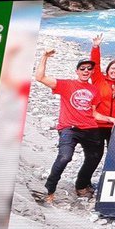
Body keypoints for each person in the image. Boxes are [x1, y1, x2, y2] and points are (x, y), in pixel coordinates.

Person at [35, 49, 104, 202]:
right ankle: (49, 190)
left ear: (92, 72)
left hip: (90, 128)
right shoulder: (66, 84)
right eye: (83, 68)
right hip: (69, 128)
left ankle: (81, 185)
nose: (86, 71)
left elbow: (94, 114)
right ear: (77, 71)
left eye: (89, 69)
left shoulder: (94, 90)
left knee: (95, 157)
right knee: (65, 157)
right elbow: (39, 77)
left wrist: (111, 119)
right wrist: (44, 57)